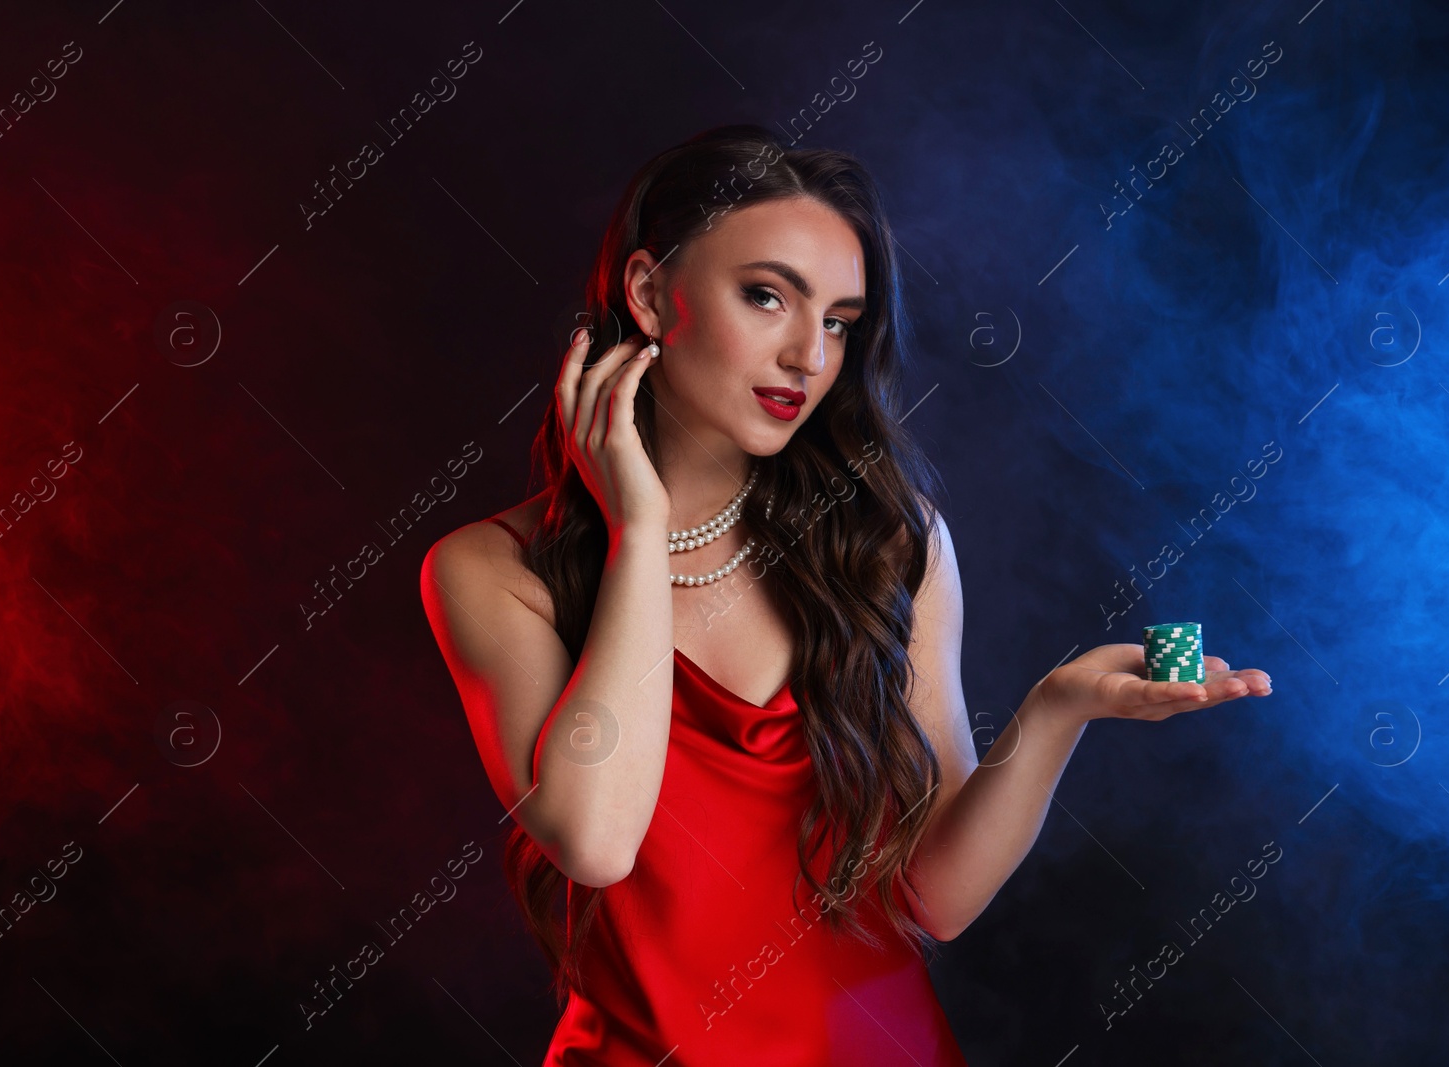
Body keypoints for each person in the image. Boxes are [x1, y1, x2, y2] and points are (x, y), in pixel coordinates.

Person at [419, 123, 1272, 1065]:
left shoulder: (892, 541)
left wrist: (1058, 707)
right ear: (652, 292)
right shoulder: (491, 570)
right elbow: (596, 839)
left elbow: (931, 901)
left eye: (837, 320)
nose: (809, 356)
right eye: (767, 296)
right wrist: (637, 530)